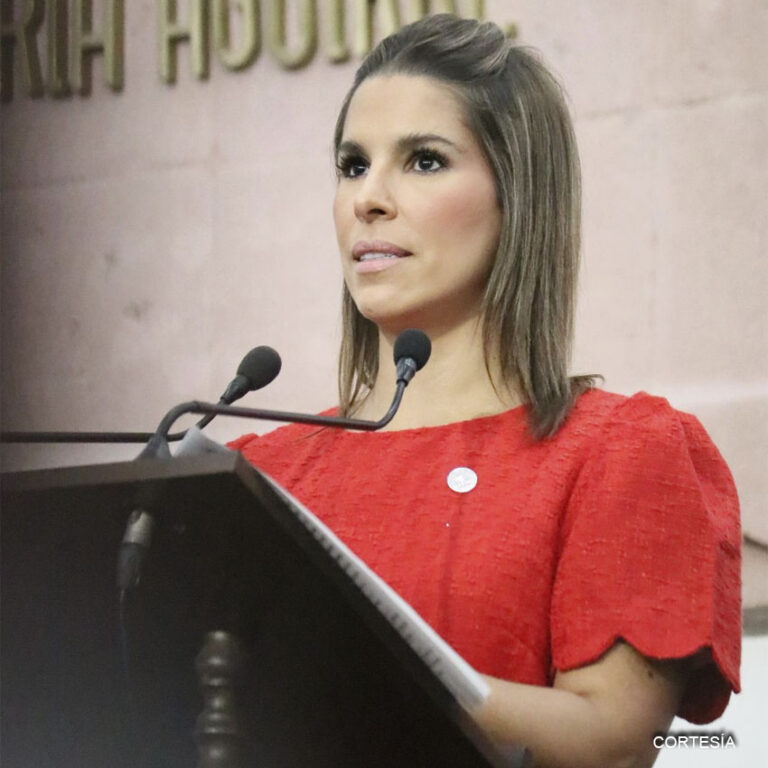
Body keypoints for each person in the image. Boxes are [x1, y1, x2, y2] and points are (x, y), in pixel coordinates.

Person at [230, 14, 740, 768]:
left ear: (517, 199)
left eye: (424, 161)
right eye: (352, 164)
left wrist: (358, 675)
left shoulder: (617, 452)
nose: (369, 198)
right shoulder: (260, 472)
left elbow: (612, 744)